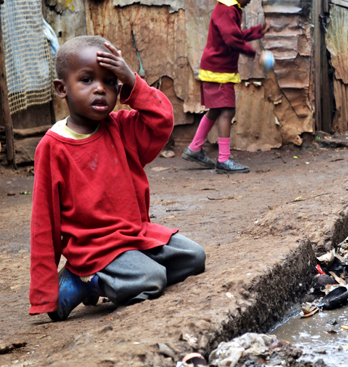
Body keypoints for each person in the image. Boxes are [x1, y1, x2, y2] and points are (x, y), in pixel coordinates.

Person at [30, 36, 206, 321]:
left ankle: (115, 276)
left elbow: (161, 120)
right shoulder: (53, 148)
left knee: (194, 257)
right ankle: (82, 280)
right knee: (152, 279)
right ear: (62, 89)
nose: (100, 89)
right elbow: (43, 222)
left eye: (110, 82)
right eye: (86, 80)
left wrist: (132, 81)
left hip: (136, 235)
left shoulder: (121, 128)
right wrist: (44, 292)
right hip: (94, 248)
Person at [181, 0, 268, 174]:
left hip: (217, 68)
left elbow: (233, 34)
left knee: (216, 109)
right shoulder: (227, 9)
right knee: (227, 111)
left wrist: (255, 32)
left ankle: (194, 148)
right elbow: (232, 40)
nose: (250, 0)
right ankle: (224, 159)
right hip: (218, 70)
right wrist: (254, 53)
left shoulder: (230, 8)